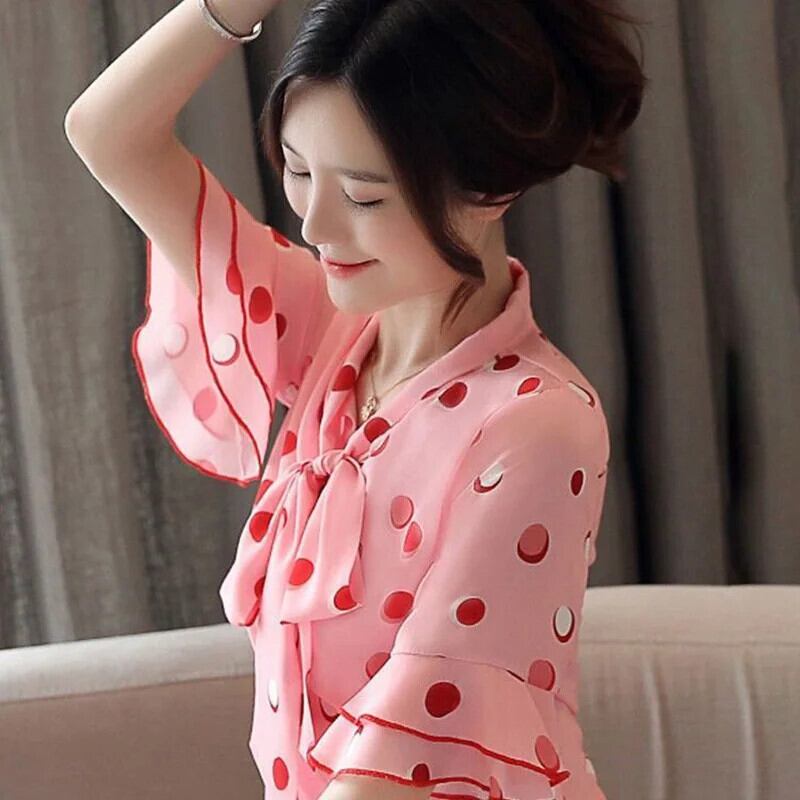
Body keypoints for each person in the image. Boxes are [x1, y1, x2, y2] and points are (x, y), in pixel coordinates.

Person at [65, 1, 646, 798]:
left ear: (490, 189)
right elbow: (108, 134)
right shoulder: (325, 331)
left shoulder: (538, 423)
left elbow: (403, 753)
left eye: (364, 196)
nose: (316, 225)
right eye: (299, 172)